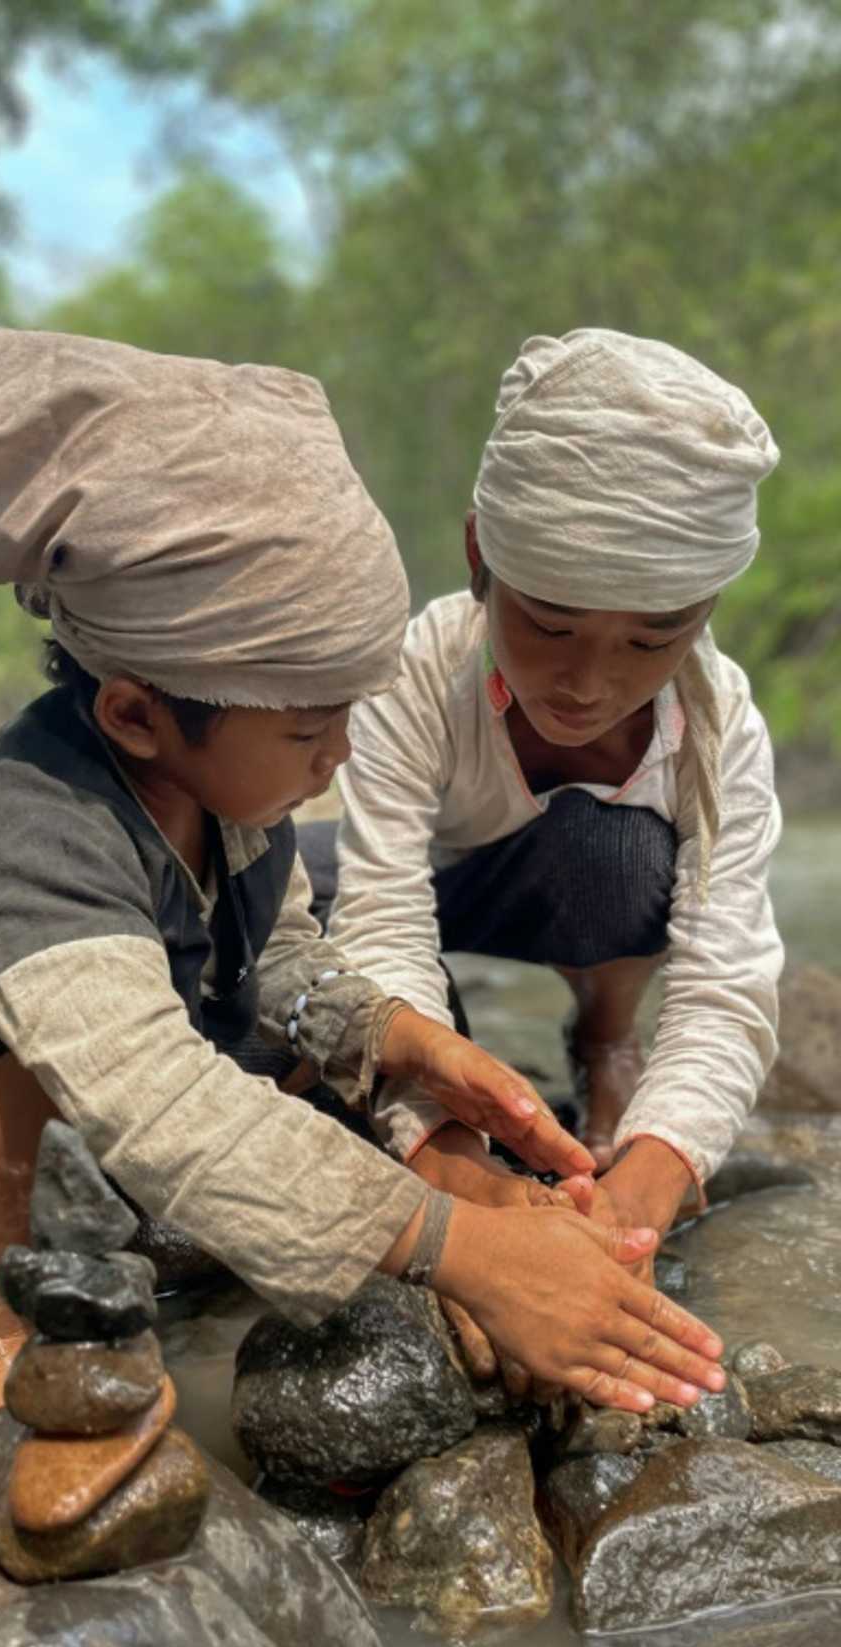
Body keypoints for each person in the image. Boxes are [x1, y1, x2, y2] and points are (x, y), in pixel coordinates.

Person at [0, 327, 725, 1427]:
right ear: (135, 713)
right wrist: (459, 1254)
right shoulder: (33, 827)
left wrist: (394, 1041)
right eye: (313, 730)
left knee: (325, 1060)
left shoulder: (229, 791)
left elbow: (278, 954)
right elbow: (152, 1091)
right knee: (37, 1066)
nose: (343, 759)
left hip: (110, 1036)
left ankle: (204, 1210)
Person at [300, 328, 782, 1381]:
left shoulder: (718, 724)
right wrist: (457, 1182)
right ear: (481, 557)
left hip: (573, 889)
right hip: (429, 875)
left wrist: (630, 1212)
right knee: (274, 899)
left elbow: (725, 984)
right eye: (550, 624)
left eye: (650, 641)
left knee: (610, 850)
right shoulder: (416, 667)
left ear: (703, 612)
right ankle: (453, 1075)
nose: (588, 682)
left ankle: (605, 1046)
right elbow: (383, 911)